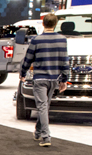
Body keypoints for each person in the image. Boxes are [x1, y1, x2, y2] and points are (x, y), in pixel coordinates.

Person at [19, 13, 69, 147]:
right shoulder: (62, 40)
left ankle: (46, 137)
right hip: (54, 78)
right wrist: (64, 79)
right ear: (56, 24)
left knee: (42, 106)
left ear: (43, 23)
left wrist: (23, 73)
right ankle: (38, 132)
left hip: (40, 78)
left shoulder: (36, 40)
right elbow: (65, 61)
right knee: (44, 106)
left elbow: (28, 58)